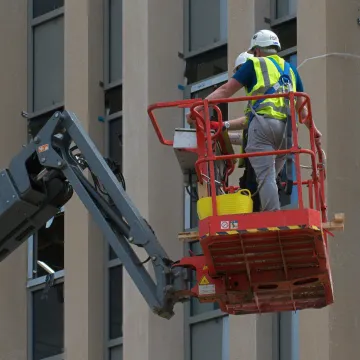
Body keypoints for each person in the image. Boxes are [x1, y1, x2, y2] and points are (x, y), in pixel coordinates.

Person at [187, 29, 322, 212]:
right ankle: (274, 216)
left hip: (264, 126)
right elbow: (302, 109)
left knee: (266, 178)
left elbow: (226, 90)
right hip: (288, 133)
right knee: (270, 178)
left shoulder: (254, 64)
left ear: (257, 50)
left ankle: (273, 219)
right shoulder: (290, 70)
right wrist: (313, 130)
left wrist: (199, 107)